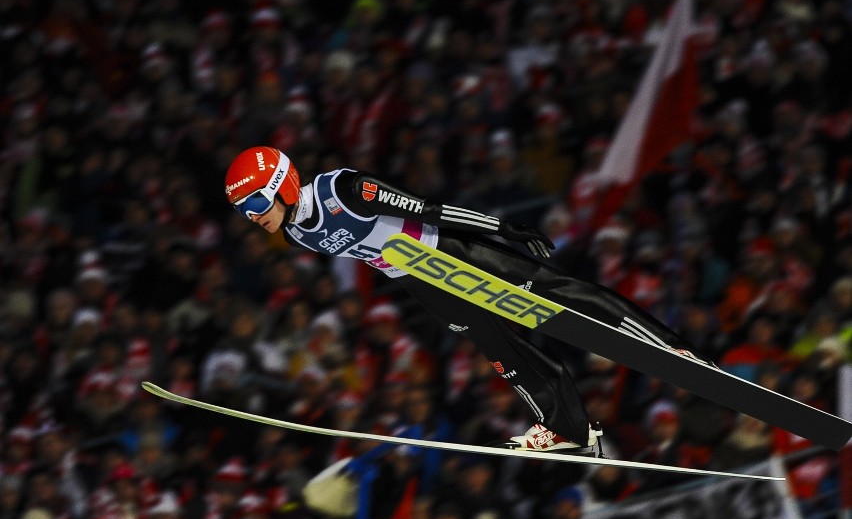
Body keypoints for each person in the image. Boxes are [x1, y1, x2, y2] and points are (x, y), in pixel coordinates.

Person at [224, 146, 698, 454]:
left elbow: (429, 208)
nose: (253, 218)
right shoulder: (295, 236)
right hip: (418, 279)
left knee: (557, 293)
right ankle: (567, 427)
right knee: (497, 349)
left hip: (448, 251)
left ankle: (667, 344)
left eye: (257, 205)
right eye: (245, 212)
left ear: (283, 186)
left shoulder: (343, 190)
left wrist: (500, 228)